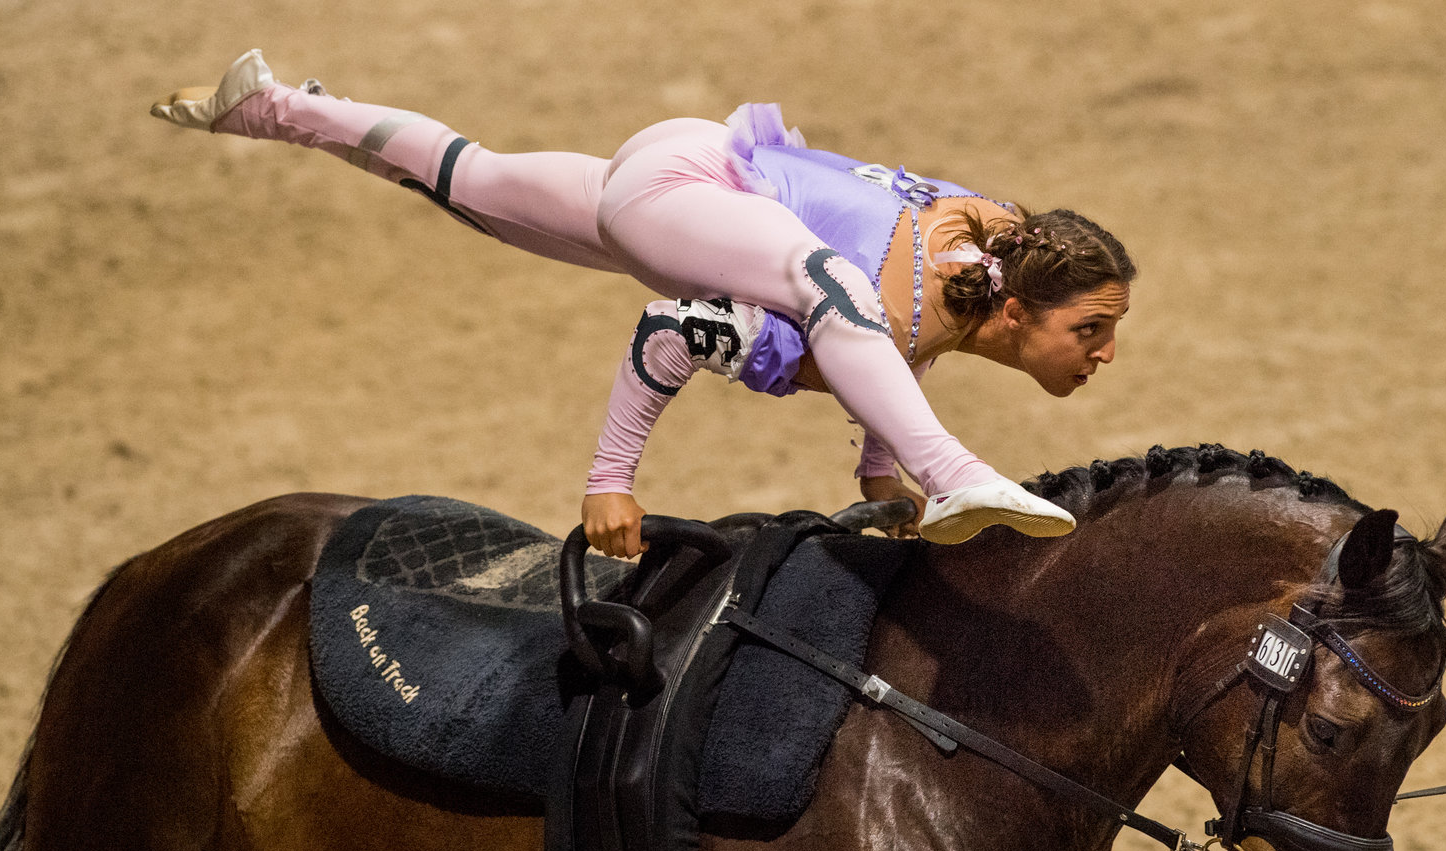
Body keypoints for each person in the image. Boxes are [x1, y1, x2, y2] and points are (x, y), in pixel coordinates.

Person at [151, 50, 1137, 559]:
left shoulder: (958, 266)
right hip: (681, 195)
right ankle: (957, 470)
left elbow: (899, 344)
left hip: (692, 169)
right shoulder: (874, 309)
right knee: (822, 294)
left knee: (471, 179)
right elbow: (675, 329)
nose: (1101, 355)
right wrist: (609, 479)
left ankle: (274, 104)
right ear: (1015, 313)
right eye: (1088, 328)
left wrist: (882, 481)